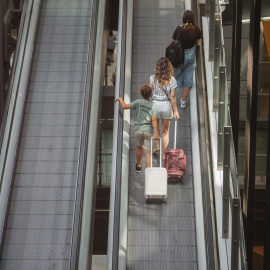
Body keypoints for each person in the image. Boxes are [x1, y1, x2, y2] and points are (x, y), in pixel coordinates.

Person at [115, 85, 160, 172]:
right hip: (148, 130)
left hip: (138, 130)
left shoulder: (138, 102)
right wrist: (156, 132)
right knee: (147, 152)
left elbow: (124, 106)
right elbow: (154, 119)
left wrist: (120, 99)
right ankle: (148, 171)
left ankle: (139, 166)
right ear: (151, 94)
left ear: (141, 94)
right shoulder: (153, 105)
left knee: (139, 146)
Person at [149, 57, 179, 160]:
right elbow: (172, 96)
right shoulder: (172, 80)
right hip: (166, 105)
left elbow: (150, 93)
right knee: (165, 132)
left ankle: (157, 146)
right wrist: (175, 111)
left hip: (155, 105)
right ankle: (163, 155)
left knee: (155, 128)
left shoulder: (152, 78)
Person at [171, 10, 202, 109]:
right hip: (191, 55)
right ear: (193, 19)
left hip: (179, 56)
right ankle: (183, 101)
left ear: (184, 19)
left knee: (175, 75)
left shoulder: (179, 29)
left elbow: (172, 42)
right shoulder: (197, 30)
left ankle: (171, 96)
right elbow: (198, 44)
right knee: (188, 78)